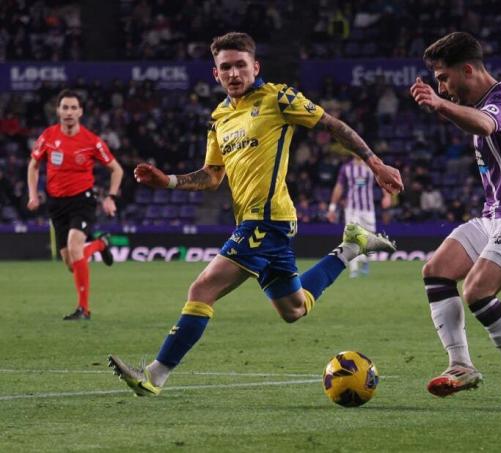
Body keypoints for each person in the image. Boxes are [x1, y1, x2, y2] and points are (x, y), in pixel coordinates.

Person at [108, 32, 403, 396]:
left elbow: (332, 125)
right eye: (225, 67)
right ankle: (351, 247)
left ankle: (155, 374)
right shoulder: (219, 119)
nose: (234, 73)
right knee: (294, 309)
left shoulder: (279, 98)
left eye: (240, 65)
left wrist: (375, 163)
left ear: (255, 66)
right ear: (215, 74)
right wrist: (168, 181)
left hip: (266, 220)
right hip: (260, 222)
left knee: (202, 288)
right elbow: (212, 176)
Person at [410, 32, 501, 409]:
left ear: (468, 70)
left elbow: (486, 125)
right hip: (495, 215)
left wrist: (439, 104)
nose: (441, 85)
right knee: (436, 270)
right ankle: (460, 365)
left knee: (476, 291)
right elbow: (475, 122)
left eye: (443, 77)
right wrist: (444, 103)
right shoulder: (479, 106)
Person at [27, 89, 124, 320]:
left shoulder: (91, 141)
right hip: (56, 204)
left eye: (73, 108)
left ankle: (84, 309)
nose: (69, 112)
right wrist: (33, 195)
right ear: (58, 110)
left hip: (82, 201)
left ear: (80, 112)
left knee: (74, 246)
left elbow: (116, 169)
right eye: (65, 107)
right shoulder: (48, 137)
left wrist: (110, 197)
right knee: (72, 263)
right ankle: (100, 245)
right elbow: (33, 165)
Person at [327, 157, 392, 277]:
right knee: (351, 238)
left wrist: (386, 195)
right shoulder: (346, 168)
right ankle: (354, 269)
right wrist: (332, 207)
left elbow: (382, 179)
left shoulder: (372, 166)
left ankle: (365, 262)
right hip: (351, 209)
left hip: (368, 209)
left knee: (369, 239)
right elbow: (339, 187)